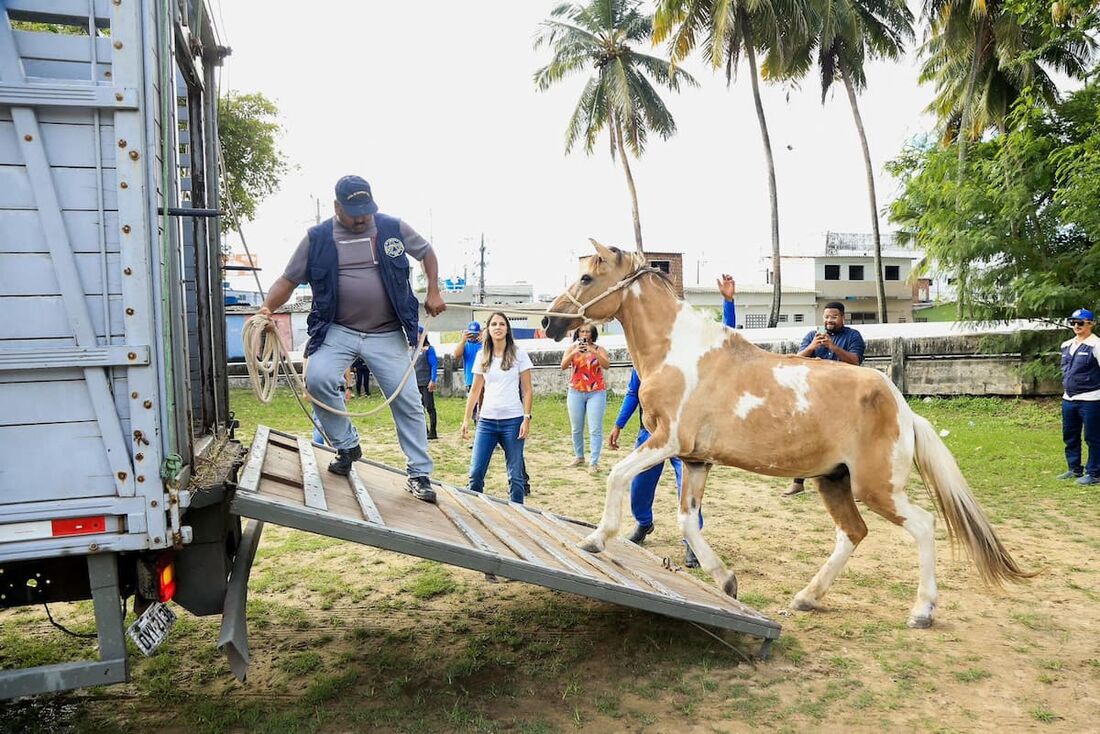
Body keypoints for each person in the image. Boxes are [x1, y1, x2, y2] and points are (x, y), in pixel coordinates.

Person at [258, 174, 445, 503]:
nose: (362, 218)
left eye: (366, 210)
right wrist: (265, 310)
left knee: (408, 402)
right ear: (336, 207)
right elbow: (287, 280)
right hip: (337, 330)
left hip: (387, 332)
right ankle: (346, 445)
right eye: (354, 211)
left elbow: (427, 253)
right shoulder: (317, 239)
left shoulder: (392, 227)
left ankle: (419, 473)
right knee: (316, 379)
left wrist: (433, 289)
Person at [610, 275, 738, 568]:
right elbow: (633, 391)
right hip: (650, 434)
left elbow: (727, 337)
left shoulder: (692, 353)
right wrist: (618, 424)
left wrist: (728, 302)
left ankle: (693, 541)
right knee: (640, 486)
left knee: (689, 488)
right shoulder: (646, 356)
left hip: (684, 434)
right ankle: (644, 524)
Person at [785, 300, 866, 496]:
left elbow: (855, 361)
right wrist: (812, 347)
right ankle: (798, 482)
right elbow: (796, 360)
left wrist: (833, 347)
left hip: (844, 395)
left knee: (850, 439)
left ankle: (857, 486)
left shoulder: (853, 336)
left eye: (834, 317)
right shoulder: (813, 336)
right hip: (816, 396)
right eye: (827, 317)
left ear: (843, 318)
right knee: (807, 437)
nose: (830, 320)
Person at [461, 312, 533, 504]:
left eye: (502, 324)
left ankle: (518, 513)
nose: (498, 327)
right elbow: (475, 391)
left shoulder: (519, 354)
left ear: (507, 328)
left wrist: (526, 417)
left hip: (513, 421)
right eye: (494, 324)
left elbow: (527, 390)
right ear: (488, 329)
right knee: (475, 473)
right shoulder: (481, 355)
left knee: (516, 476)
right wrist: (467, 419)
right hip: (487, 422)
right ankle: (476, 510)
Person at [1058, 308, 1100, 486]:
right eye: (1073, 322)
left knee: (1093, 437)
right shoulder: (1066, 345)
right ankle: (1074, 468)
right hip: (1069, 398)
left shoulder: (1096, 345)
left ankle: (1094, 472)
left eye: (1080, 323)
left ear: (1091, 324)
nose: (1076, 326)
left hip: (1091, 398)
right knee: (1070, 435)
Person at [561, 324, 610, 472]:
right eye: (582, 331)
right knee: (576, 428)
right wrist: (574, 351)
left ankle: (594, 462)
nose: (584, 334)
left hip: (596, 391)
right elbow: (563, 365)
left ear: (592, 334)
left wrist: (593, 352)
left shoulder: (599, 349)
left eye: (587, 331)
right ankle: (579, 456)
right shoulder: (572, 348)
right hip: (576, 391)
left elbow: (606, 365)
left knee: (595, 428)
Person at [415, 326, 439, 440]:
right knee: (418, 408)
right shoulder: (413, 349)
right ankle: (424, 431)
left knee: (430, 407)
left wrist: (433, 380)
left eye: (419, 334)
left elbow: (434, 364)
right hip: (416, 382)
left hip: (426, 382)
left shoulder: (429, 349)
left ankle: (433, 431)